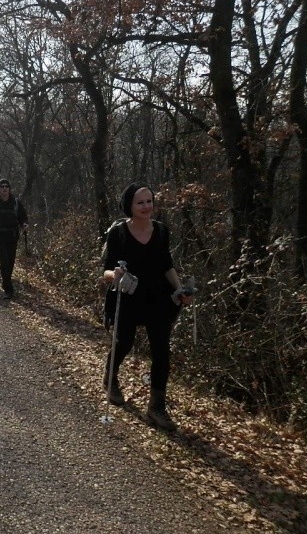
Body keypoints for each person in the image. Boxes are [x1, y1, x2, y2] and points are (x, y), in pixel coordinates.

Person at [101, 183, 191, 431]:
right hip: (129, 297)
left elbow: (167, 265)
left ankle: (156, 407)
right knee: (125, 342)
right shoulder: (117, 233)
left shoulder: (162, 231)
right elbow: (106, 270)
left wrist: (179, 289)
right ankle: (111, 377)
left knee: (161, 350)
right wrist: (115, 274)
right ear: (129, 205)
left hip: (158, 298)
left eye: (149, 201)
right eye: (140, 202)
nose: (146, 206)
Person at [0, 178, 28, 299]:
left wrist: (24, 224)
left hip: (13, 236)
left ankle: (6, 282)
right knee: (4, 261)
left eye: (6, 186)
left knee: (11, 262)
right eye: (2, 186)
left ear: (9, 189)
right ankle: (8, 288)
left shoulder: (16, 203)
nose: (4, 188)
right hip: (0, 237)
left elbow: (23, 218)